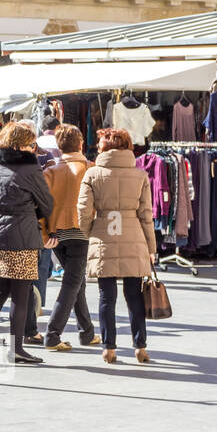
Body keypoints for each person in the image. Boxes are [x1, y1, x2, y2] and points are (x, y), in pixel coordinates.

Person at [0, 121, 54, 365]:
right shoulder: (31, 170)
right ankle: (16, 348)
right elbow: (47, 205)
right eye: (31, 144)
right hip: (21, 237)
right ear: (20, 145)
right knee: (20, 293)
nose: (34, 148)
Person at [79, 128, 157, 363]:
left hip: (104, 236)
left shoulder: (92, 174)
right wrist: (151, 248)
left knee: (106, 296)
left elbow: (83, 212)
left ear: (102, 148)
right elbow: (146, 215)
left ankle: (109, 347)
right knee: (134, 295)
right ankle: (140, 347)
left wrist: (86, 236)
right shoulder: (140, 175)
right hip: (134, 236)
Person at [41, 124, 99, 351]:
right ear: (81, 144)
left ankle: (87, 332)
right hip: (81, 230)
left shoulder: (50, 171)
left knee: (77, 282)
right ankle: (53, 334)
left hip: (56, 233)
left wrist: (45, 234)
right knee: (72, 282)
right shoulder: (90, 168)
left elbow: (42, 207)